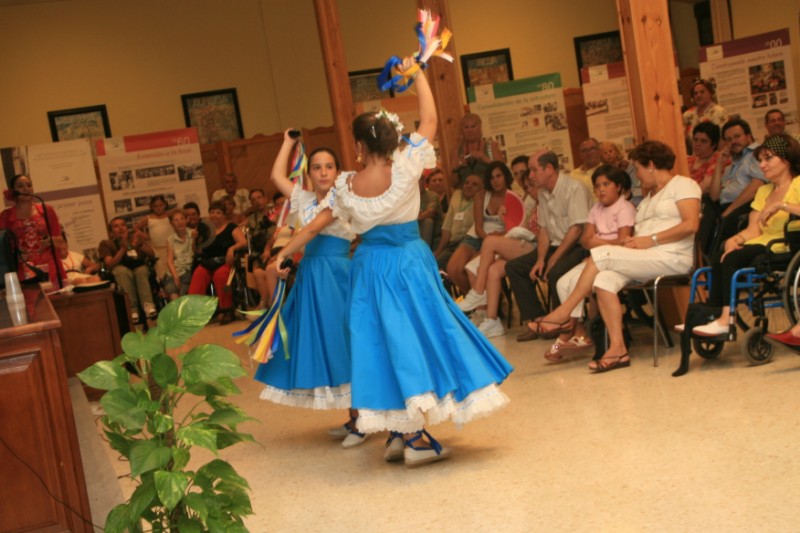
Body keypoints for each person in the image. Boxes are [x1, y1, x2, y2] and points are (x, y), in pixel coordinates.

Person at [328, 56, 512, 466]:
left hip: (370, 266)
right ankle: (413, 437)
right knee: (419, 338)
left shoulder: (346, 185)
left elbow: (345, 222)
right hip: (409, 263)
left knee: (383, 342)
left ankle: (400, 430)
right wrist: (418, 75)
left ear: (359, 147)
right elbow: (429, 120)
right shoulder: (408, 165)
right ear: (392, 140)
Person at [529, 141, 700, 372]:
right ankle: (618, 350)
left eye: (638, 169)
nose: (637, 176)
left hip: (673, 257)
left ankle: (562, 314)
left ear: (651, 165)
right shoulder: (648, 199)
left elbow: (691, 224)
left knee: (601, 254)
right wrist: (634, 242)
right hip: (646, 256)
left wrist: (651, 240)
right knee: (603, 280)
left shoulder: (683, 185)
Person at [255, 131, 362, 447]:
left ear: (338, 172)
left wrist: (283, 253)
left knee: (341, 342)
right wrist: (288, 142)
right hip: (313, 276)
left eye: (329, 166)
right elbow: (276, 176)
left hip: (336, 277)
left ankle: (361, 420)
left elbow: (315, 229)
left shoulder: (340, 197)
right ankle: (354, 417)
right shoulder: (303, 198)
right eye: (316, 167)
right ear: (309, 172)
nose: (323, 172)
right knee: (326, 344)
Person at [691, 134, 800, 337]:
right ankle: (713, 314)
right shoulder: (764, 191)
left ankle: (725, 319)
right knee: (720, 254)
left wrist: (782, 205)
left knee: (733, 258)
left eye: (768, 159)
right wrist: (736, 239)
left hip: (786, 244)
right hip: (762, 242)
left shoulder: (798, 184)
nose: (763, 165)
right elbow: (753, 230)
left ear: (786, 159)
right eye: (760, 160)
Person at [539, 166, 635, 361]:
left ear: (618, 186)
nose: (601, 190)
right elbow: (585, 240)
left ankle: (566, 334)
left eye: (606, 184)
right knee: (562, 282)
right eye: (597, 186)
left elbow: (623, 241)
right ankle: (576, 330)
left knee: (575, 283)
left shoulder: (625, 208)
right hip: (595, 258)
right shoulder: (596, 208)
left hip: (614, 261)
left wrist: (597, 242)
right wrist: (602, 242)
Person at [508, 150, 592, 341]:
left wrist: (553, 259)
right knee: (515, 267)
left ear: (549, 169)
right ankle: (537, 318)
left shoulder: (574, 189)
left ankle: (557, 324)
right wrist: (540, 259)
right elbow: (544, 230)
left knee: (556, 271)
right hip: (555, 244)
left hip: (578, 246)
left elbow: (576, 229)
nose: (530, 176)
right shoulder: (544, 193)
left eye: (533, 170)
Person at [457, 173, 539, 338]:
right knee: (493, 270)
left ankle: (478, 291)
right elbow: (518, 227)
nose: (529, 191)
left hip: (535, 246)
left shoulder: (545, 204)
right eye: (527, 188)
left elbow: (540, 233)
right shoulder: (532, 205)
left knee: (490, 242)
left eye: (531, 187)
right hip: (522, 243)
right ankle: (492, 319)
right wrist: (505, 218)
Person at [446, 162, 516, 295]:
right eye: (491, 177)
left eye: (498, 176)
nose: (495, 181)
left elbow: (514, 229)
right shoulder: (481, 196)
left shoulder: (514, 198)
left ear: (506, 176)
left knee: (473, 268)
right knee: (453, 269)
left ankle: (488, 304)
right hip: (477, 236)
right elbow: (478, 227)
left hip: (499, 239)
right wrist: (487, 239)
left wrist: (494, 239)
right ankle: (477, 302)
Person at [707, 118, 767, 250]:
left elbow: (757, 184)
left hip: (746, 206)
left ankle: (709, 263)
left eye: (737, 136)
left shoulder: (756, 154)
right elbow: (714, 196)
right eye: (728, 139)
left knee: (717, 226)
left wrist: (729, 211)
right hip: (725, 207)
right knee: (704, 209)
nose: (733, 141)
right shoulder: (732, 163)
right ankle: (703, 263)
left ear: (748, 136)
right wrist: (719, 164)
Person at [188, 200, 247, 324]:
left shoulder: (231, 227)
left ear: (224, 215)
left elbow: (243, 242)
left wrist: (232, 248)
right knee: (198, 276)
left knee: (220, 276)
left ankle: (226, 310)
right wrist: (194, 240)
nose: (214, 215)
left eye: (218, 212)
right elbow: (197, 250)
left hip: (225, 261)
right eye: (212, 212)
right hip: (208, 261)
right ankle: (194, 314)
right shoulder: (205, 230)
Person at [0, 174, 65, 286]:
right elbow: (2, 249)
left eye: (29, 185)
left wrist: (50, 241)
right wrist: (16, 253)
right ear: (13, 191)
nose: (25, 189)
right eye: (20, 186)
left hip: (48, 266)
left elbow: (60, 241)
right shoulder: (5, 216)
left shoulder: (46, 209)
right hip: (22, 269)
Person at [98, 217, 158, 323]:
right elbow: (109, 264)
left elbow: (152, 255)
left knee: (141, 270)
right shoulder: (106, 244)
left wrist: (140, 245)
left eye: (123, 225)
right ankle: (132, 309)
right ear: (111, 233)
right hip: (121, 270)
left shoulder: (135, 239)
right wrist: (122, 249)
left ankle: (148, 305)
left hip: (138, 267)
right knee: (122, 271)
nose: (120, 228)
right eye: (116, 226)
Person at [433, 174, 482, 270]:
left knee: (453, 266)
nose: (469, 186)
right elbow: (447, 227)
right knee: (436, 263)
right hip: (453, 243)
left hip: (469, 242)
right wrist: (439, 251)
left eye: (474, 184)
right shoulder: (456, 196)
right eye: (466, 183)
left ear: (481, 189)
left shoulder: (481, 201)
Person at [451, 113, 502, 189]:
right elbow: (453, 183)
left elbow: (502, 171)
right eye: (466, 127)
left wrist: (484, 158)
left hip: (488, 192)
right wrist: (456, 169)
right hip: (466, 196)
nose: (470, 130)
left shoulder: (491, 146)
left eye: (473, 126)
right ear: (462, 129)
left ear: (479, 127)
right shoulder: (457, 151)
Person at [134, 194, 173, 280]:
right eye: (155, 206)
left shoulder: (170, 215)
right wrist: (144, 236)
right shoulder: (149, 218)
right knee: (161, 274)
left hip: (171, 247)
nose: (158, 208)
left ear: (165, 205)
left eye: (160, 205)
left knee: (173, 270)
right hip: (157, 249)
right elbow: (136, 227)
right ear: (151, 207)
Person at [163, 210, 193, 300]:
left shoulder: (193, 234)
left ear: (186, 220)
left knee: (184, 291)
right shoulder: (170, 239)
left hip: (189, 269)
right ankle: (178, 313)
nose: (180, 222)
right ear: (171, 223)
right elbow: (170, 261)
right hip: (175, 271)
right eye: (176, 220)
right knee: (172, 289)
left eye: (182, 219)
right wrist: (175, 276)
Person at [418, 173, 443, 250]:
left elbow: (430, 212)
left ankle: (424, 251)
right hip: (415, 228)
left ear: (423, 181)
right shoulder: (407, 197)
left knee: (428, 221)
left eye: (419, 180)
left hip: (433, 232)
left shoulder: (432, 195)